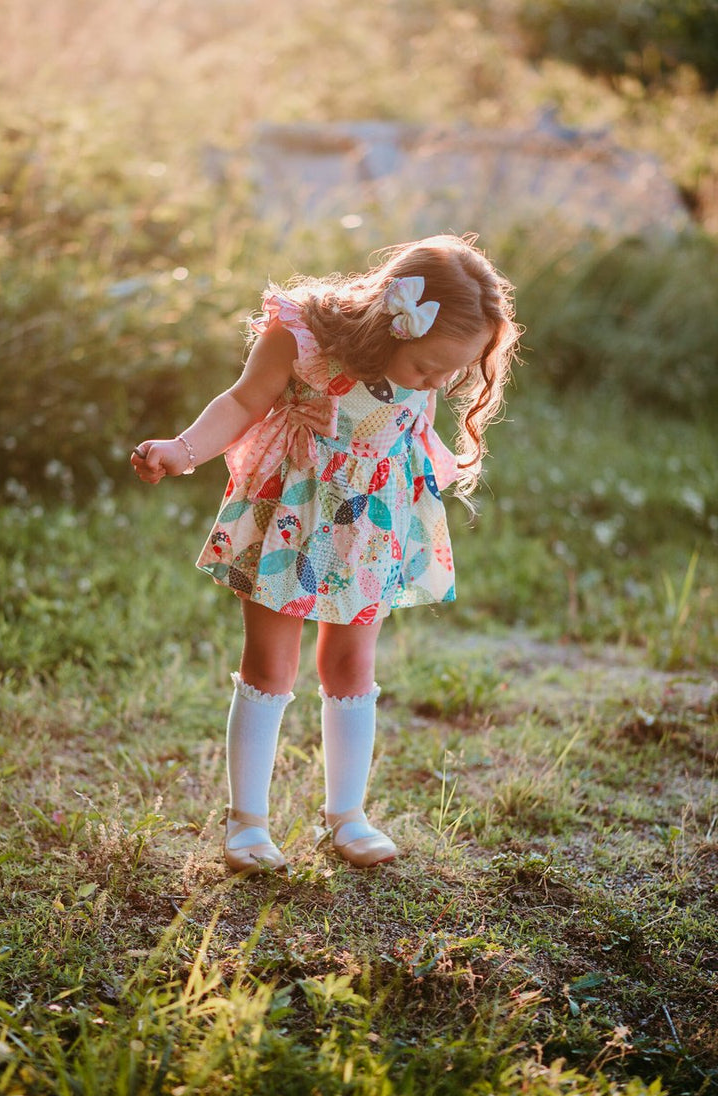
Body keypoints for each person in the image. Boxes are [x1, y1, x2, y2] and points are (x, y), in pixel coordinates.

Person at [131, 234, 519, 874]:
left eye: (454, 371)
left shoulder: (429, 363)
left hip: (368, 525)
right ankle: (247, 822)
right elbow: (241, 402)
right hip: (292, 516)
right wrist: (182, 449)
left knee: (351, 664)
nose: (439, 383)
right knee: (269, 661)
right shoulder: (302, 338)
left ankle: (347, 814)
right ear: (394, 324)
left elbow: (406, 425)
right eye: (428, 368)